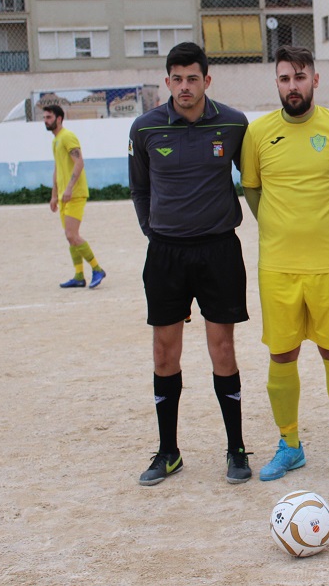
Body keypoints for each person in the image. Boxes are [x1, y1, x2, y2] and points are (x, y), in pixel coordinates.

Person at [240, 45, 329, 482]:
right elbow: (253, 190)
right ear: (276, 83)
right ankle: (290, 445)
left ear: (314, 80)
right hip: (278, 266)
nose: (292, 86)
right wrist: (279, 227)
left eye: (299, 77)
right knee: (282, 353)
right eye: (284, 78)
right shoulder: (258, 133)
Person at [128, 42, 252, 486]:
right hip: (166, 254)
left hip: (219, 251)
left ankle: (236, 449)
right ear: (167, 82)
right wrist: (154, 232)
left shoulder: (234, 124)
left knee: (223, 350)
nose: (185, 87)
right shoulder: (145, 128)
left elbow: (254, 178)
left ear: (206, 80)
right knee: (164, 353)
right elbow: (139, 189)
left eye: (192, 79)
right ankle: (168, 452)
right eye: (177, 79)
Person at [45, 104, 106, 289]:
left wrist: (70, 188)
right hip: (63, 196)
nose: (45, 121)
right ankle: (79, 275)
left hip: (75, 194)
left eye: (49, 117)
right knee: (70, 237)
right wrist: (54, 194)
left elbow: (79, 163)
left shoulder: (67, 136)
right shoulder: (56, 141)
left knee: (72, 234)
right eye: (45, 118)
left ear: (59, 119)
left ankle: (97, 269)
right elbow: (57, 168)